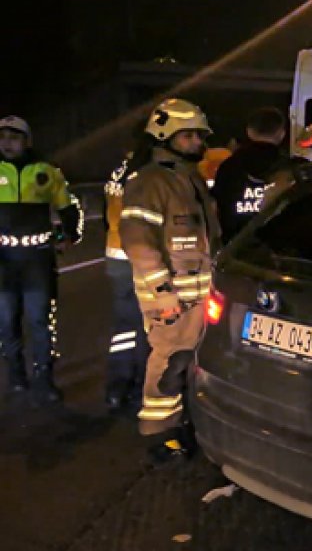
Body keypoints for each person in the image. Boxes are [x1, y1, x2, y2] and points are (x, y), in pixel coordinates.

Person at [121, 98, 220, 442]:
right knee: (169, 361)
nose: (197, 142)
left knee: (188, 361)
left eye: (198, 135)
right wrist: (162, 293)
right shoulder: (151, 182)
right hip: (172, 297)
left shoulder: (189, 179)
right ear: (164, 137)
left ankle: (183, 421)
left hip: (197, 295)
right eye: (188, 135)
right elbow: (137, 241)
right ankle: (158, 431)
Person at [0, 115, 83, 402]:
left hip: (37, 259)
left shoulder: (47, 171)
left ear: (27, 141)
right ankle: (16, 374)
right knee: (7, 320)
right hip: (3, 261)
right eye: (3, 137)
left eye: (14, 137)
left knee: (40, 320)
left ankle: (44, 377)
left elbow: (68, 207)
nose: (7, 143)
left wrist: (70, 234)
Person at [103, 144, 150, 411]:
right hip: (141, 257)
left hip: (116, 256)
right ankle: (140, 388)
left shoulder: (118, 172)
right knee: (147, 327)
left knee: (123, 328)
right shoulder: (149, 174)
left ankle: (116, 387)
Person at [210, 107, 292, 242]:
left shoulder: (229, 167)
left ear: (249, 131)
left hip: (236, 246)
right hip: (278, 246)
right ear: (282, 133)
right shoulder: (290, 167)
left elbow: (217, 206)